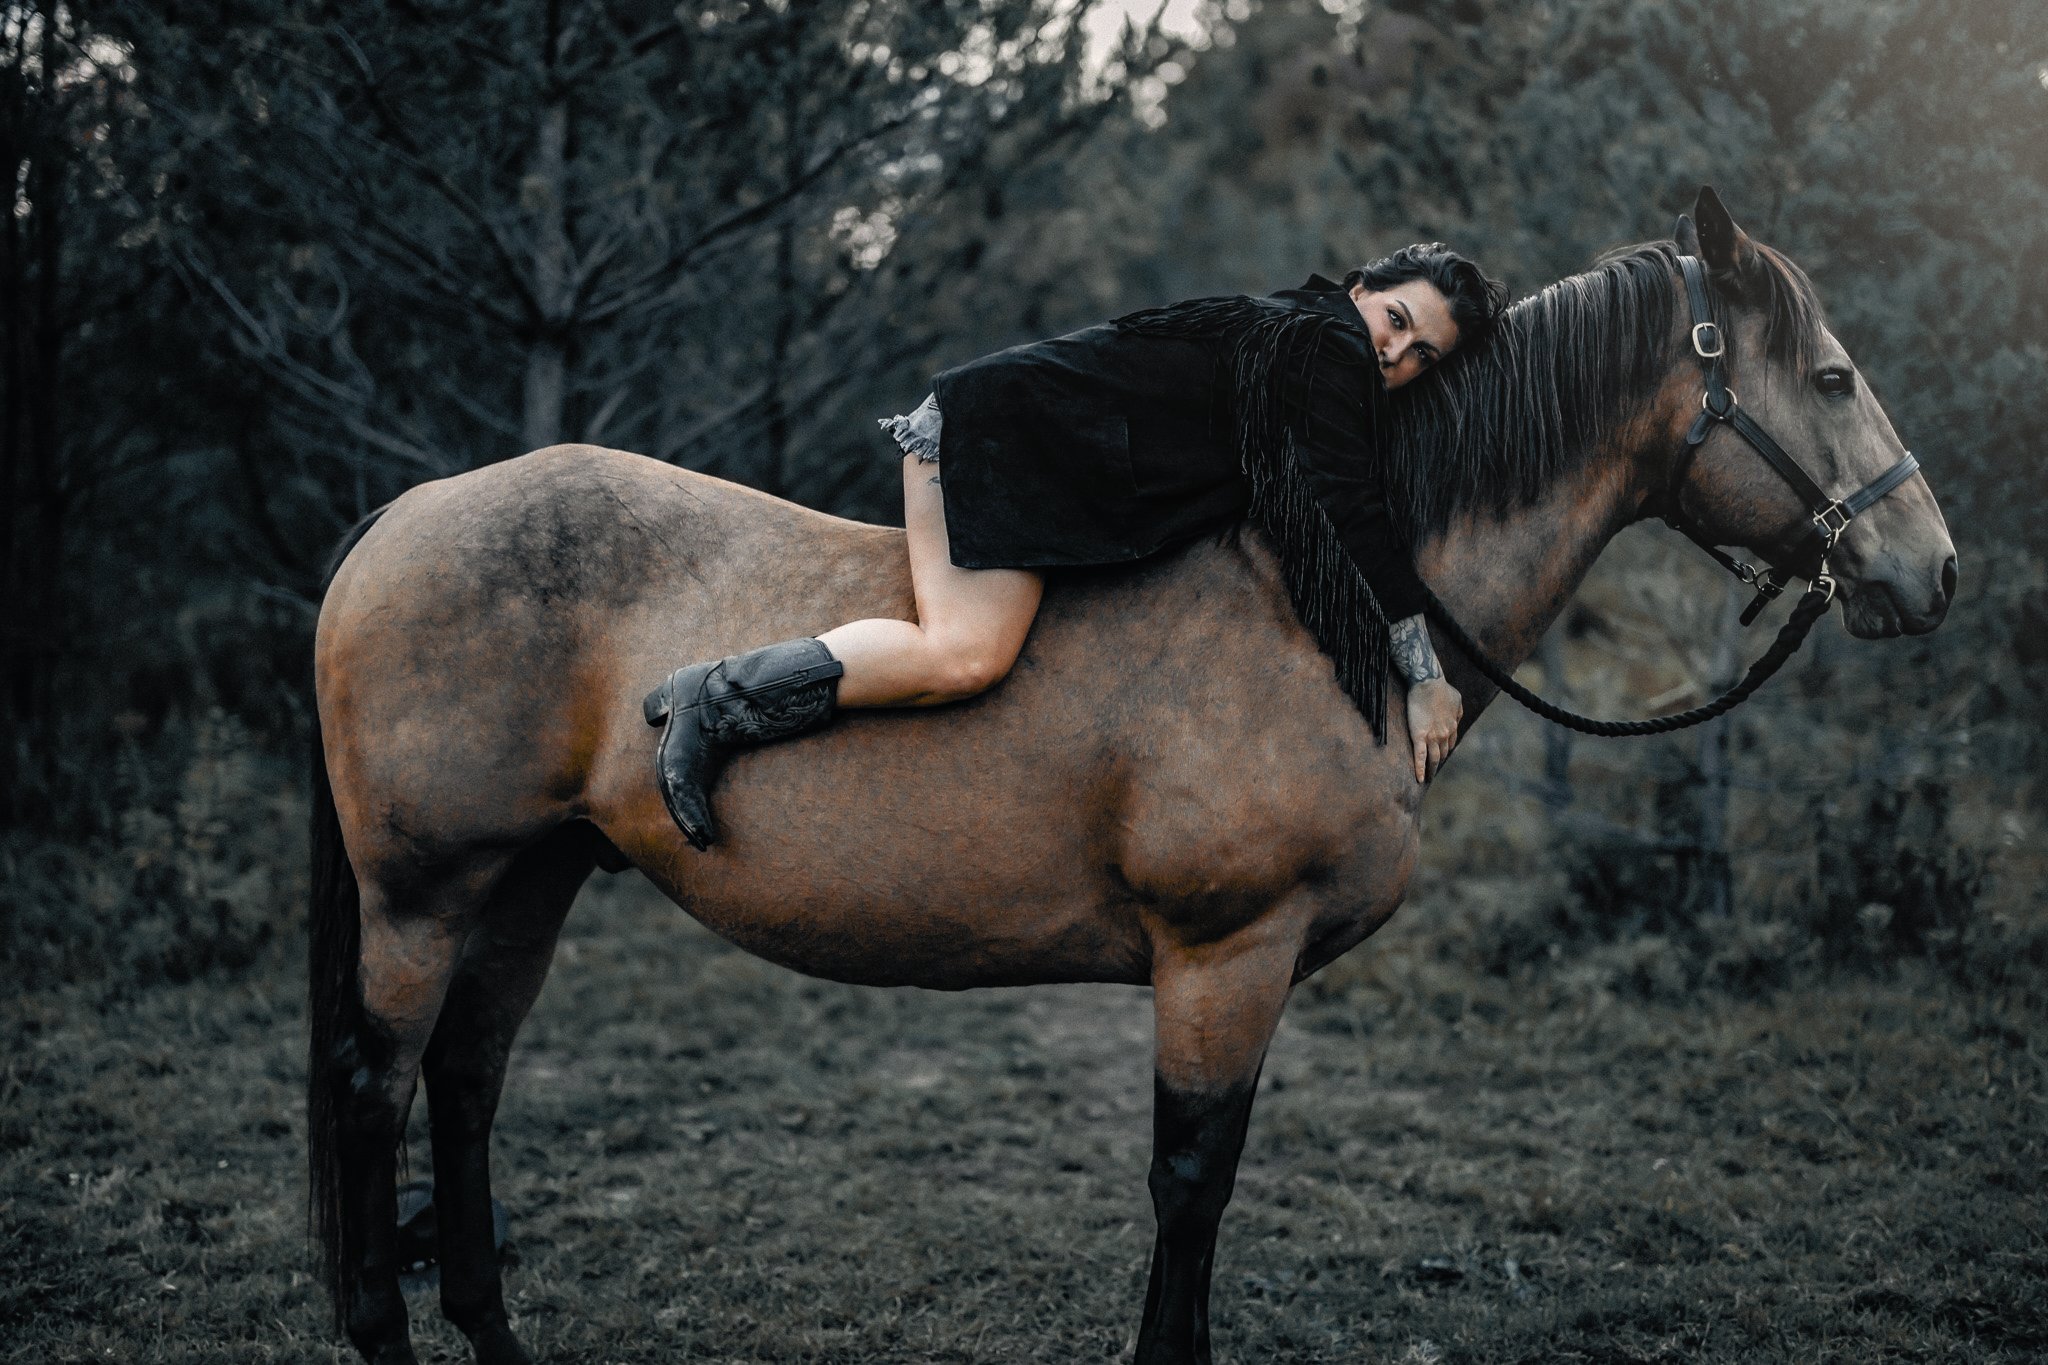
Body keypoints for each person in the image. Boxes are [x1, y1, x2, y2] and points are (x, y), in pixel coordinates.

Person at [642, 244, 1510, 851]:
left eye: (1418, 355)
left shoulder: (1299, 339)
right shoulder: (1323, 338)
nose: (1390, 351)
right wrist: (1425, 676)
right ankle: (711, 701)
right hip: (999, 443)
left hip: (1002, 435)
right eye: (1394, 318)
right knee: (963, 655)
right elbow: (1349, 507)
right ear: (1359, 288)